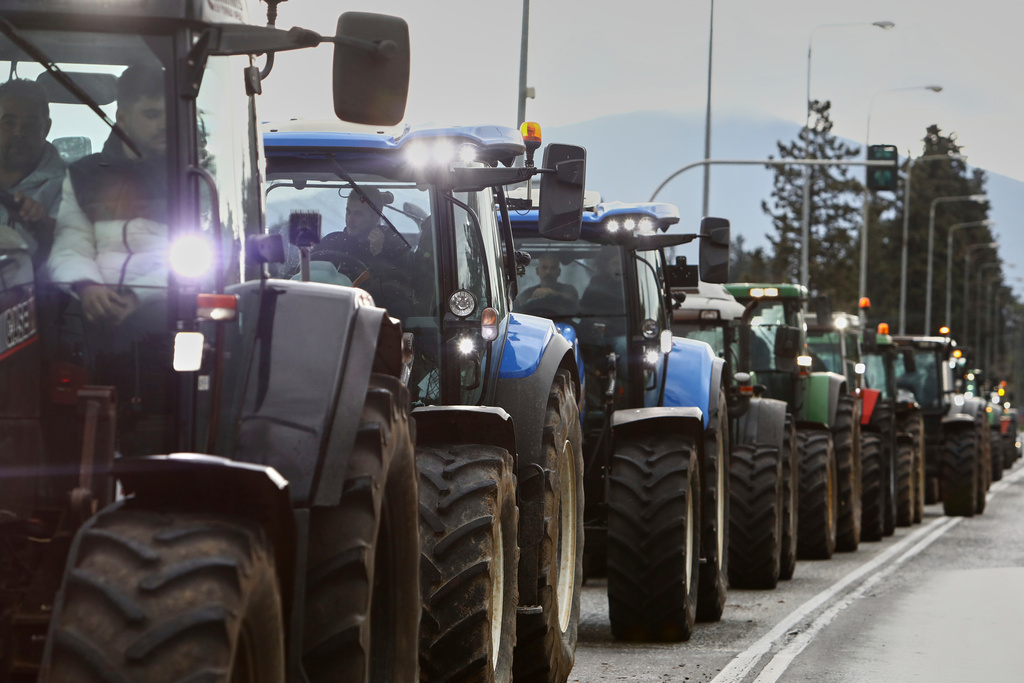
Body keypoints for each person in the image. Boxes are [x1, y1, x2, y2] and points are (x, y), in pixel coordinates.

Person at [48, 64, 167, 325]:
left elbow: (202, 260)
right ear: (122, 118)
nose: (164, 124)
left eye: (170, 115)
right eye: (152, 114)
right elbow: (70, 246)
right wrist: (87, 286)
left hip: (168, 317)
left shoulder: (192, 178)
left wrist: (136, 296)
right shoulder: (84, 175)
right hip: (91, 319)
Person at [312, 186, 414, 314]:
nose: (350, 219)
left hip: (374, 319)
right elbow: (302, 270)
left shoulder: (394, 245)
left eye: (358, 214)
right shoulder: (331, 242)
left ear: (376, 217)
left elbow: (398, 296)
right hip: (327, 313)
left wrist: (378, 256)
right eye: (348, 212)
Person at [0, 78, 66, 273]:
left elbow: (74, 255)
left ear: (46, 128)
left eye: (30, 124)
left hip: (39, 297)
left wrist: (42, 226)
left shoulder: (71, 186)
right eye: (8, 123)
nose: (19, 132)